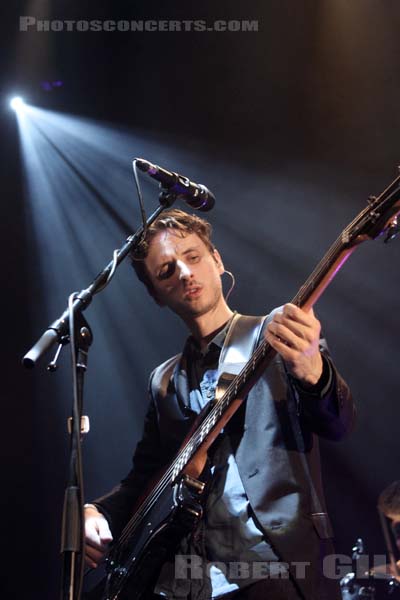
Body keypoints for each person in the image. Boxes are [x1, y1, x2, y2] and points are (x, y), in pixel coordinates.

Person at [84, 209, 355, 600]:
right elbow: (146, 477)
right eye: (166, 272)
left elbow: (339, 424)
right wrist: (97, 511)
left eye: (192, 257)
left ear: (217, 260)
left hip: (270, 564)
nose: (183, 273)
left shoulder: (277, 335)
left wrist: (313, 370)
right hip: (185, 581)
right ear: (157, 295)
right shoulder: (163, 381)